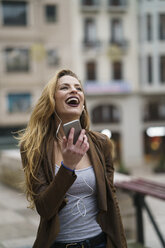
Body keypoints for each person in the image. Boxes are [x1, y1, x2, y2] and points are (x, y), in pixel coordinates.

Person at [19, 69, 127, 248]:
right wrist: (67, 167)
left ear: (83, 103)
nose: (74, 90)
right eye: (64, 87)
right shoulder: (32, 148)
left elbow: (111, 200)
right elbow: (44, 209)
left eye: (78, 88)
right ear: (52, 101)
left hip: (100, 242)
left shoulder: (102, 143)